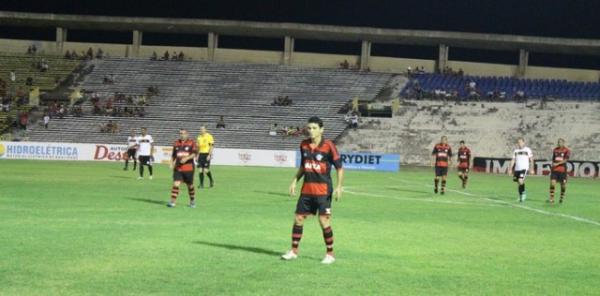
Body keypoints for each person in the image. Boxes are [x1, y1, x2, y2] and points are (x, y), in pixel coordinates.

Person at [282, 117, 344, 264]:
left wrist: (339, 186)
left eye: (314, 128)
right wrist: (294, 181)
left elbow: (339, 168)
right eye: (309, 128)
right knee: (298, 219)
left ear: (321, 130)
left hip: (323, 191)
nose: (311, 131)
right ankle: (293, 251)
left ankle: (330, 254)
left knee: (324, 221)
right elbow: (304, 166)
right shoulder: (303, 145)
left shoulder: (329, 145)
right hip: (307, 190)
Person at [168, 129, 198, 208]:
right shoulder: (176, 143)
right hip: (178, 168)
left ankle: (192, 201)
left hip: (189, 168)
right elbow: (173, 155)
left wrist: (186, 158)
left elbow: (194, 153)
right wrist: (171, 163)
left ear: (187, 134)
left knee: (190, 186)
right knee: (176, 184)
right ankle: (172, 202)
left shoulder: (192, 142)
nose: (182, 135)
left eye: (184, 133)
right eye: (180, 133)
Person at [508, 138, 534, 203]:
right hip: (517, 169)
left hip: (524, 168)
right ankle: (520, 196)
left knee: (520, 180)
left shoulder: (527, 150)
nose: (519, 144)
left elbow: (531, 160)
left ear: (523, 142)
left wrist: (532, 168)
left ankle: (523, 193)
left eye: (520, 142)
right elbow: (513, 160)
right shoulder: (515, 151)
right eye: (518, 142)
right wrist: (510, 169)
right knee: (518, 183)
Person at [549, 138, 571, 204]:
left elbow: (565, 160)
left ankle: (561, 198)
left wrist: (557, 163)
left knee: (563, 185)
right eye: (558, 142)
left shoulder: (567, 150)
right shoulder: (555, 150)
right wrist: (552, 164)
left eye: (560, 142)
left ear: (563, 143)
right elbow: (553, 159)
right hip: (555, 170)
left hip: (562, 170)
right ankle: (551, 199)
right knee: (552, 183)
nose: (559, 143)